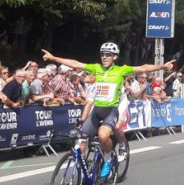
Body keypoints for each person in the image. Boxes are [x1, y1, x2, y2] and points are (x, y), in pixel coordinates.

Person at [42, 43, 174, 178]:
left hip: (111, 111)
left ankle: (108, 159)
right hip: (97, 111)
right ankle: (81, 175)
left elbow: (143, 67)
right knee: (81, 140)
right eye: (102, 54)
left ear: (115, 57)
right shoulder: (96, 68)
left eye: (108, 55)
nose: (104, 57)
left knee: (103, 136)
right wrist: (54, 58)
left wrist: (162, 67)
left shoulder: (121, 70)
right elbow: (75, 64)